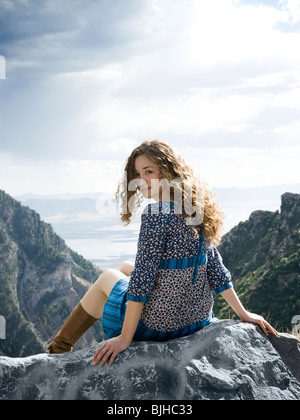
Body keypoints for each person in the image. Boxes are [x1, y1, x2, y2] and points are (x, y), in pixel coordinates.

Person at [48, 140, 278, 366]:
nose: (142, 181)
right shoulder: (194, 209)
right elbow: (216, 270)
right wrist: (244, 313)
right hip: (196, 320)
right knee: (125, 267)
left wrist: (125, 338)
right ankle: (58, 348)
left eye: (149, 171)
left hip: (159, 325)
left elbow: (142, 282)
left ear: (168, 170)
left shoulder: (155, 214)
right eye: (137, 175)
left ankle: (57, 350)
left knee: (108, 276)